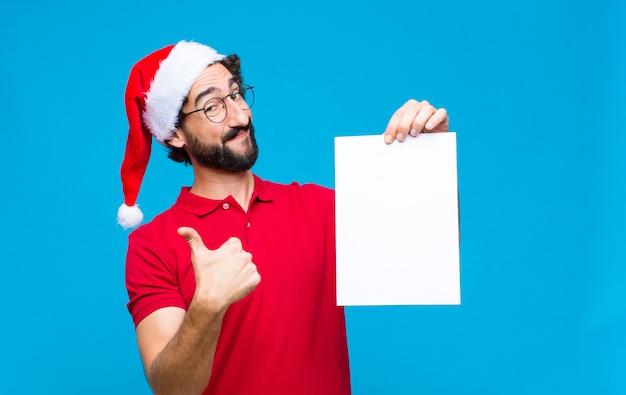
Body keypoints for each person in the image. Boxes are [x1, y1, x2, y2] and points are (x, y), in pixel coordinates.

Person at [118, 40, 449, 395]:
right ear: (175, 134)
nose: (241, 115)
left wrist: (430, 161)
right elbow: (170, 388)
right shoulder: (151, 244)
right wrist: (207, 306)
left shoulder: (318, 208)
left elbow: (432, 246)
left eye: (236, 94)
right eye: (213, 106)